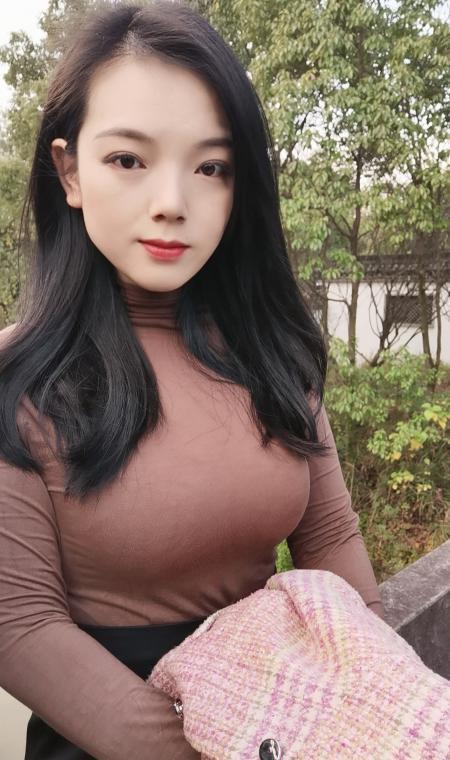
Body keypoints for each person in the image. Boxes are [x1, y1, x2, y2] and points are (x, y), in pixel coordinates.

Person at [0, 2, 384, 759]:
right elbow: (21, 625)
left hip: (284, 725)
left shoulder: (274, 352)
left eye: (211, 167)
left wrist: (372, 695)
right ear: (69, 171)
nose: (172, 204)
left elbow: (332, 539)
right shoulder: (19, 376)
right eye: (128, 160)